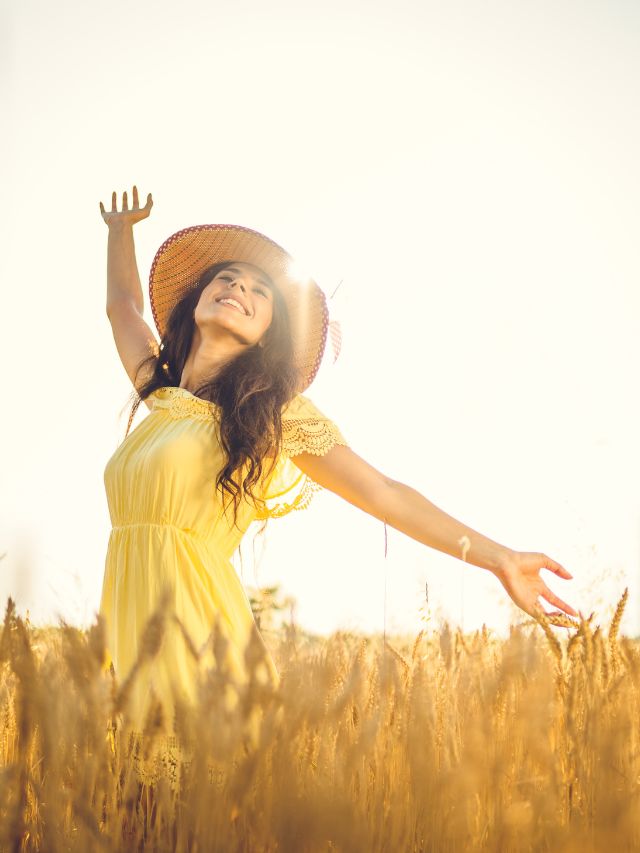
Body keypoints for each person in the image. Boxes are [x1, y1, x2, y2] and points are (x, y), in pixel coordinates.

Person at [98, 186, 578, 784]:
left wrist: (498, 557)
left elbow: (385, 493)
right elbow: (123, 308)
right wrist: (121, 231)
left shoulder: (274, 415)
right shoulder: (161, 393)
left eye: (258, 291)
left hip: (200, 636)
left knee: (187, 813)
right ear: (198, 297)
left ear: (269, 331)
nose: (238, 290)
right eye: (227, 278)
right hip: (128, 631)